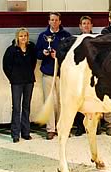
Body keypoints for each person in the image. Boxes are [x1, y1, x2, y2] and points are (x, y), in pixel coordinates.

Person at [36, 12, 71, 140]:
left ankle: (62, 128)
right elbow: (37, 54)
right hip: (48, 73)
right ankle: (51, 129)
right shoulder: (43, 36)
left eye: (56, 20)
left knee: (63, 102)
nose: (54, 22)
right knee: (49, 101)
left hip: (62, 75)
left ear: (60, 22)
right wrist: (44, 53)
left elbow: (70, 55)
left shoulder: (66, 36)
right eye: (52, 20)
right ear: (49, 21)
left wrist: (58, 56)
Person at [3, 27, 37, 143]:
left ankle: (26, 132)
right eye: (21, 36)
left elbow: (33, 63)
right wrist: (13, 77)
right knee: (16, 108)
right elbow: (6, 66)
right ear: (17, 37)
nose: (23, 38)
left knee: (26, 107)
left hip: (29, 81)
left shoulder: (31, 48)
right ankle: (15, 134)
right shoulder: (11, 50)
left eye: (25, 36)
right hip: (16, 82)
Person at [73, 16, 94, 137]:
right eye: (84, 23)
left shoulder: (97, 38)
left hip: (94, 74)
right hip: (79, 75)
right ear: (80, 26)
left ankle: (94, 126)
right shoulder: (76, 40)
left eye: (88, 23)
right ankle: (80, 126)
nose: (86, 25)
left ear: (91, 26)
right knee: (80, 100)